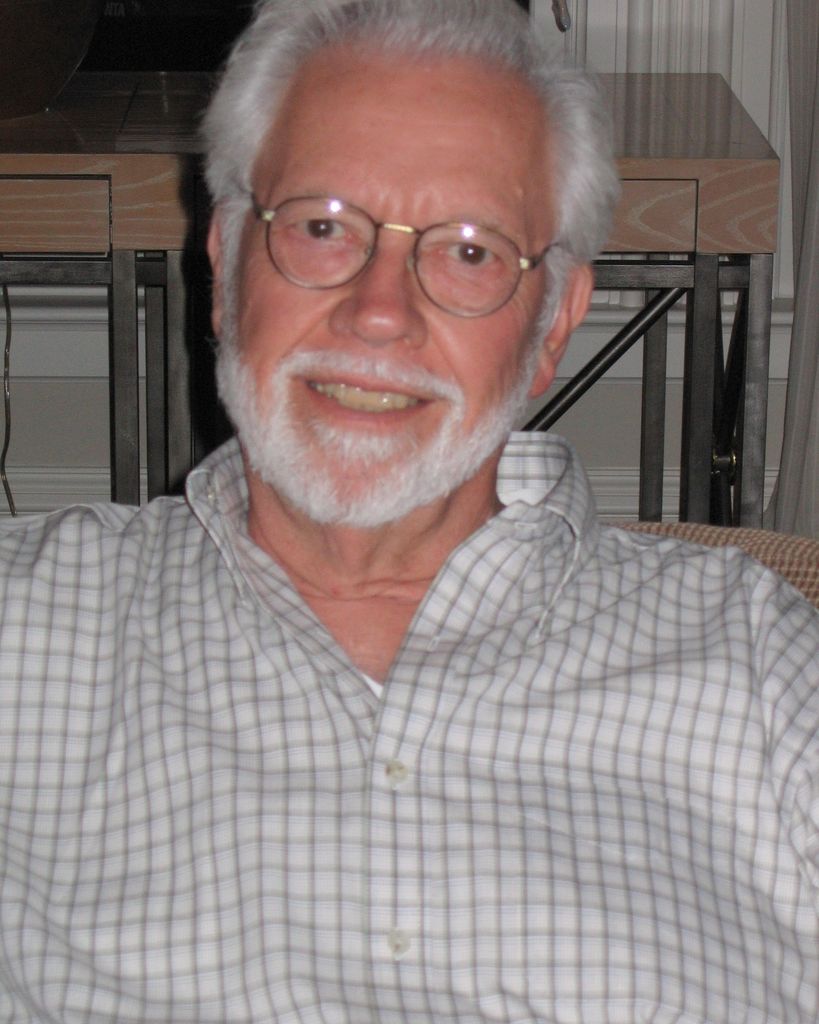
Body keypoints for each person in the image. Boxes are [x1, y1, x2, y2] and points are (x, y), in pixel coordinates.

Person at [1, 0, 816, 1020]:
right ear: (224, 265)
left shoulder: (761, 666)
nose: (380, 310)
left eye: (469, 251)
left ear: (553, 322)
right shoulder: (23, 632)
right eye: (322, 227)